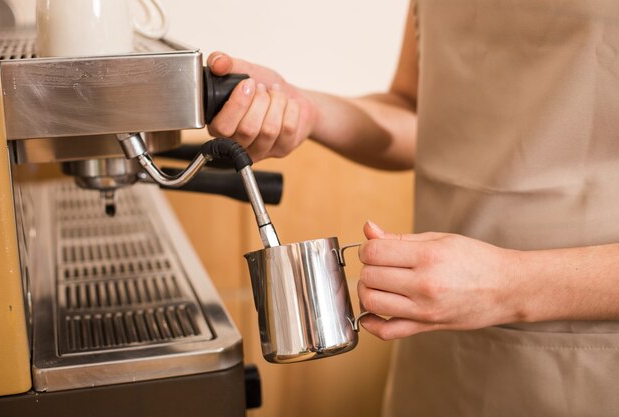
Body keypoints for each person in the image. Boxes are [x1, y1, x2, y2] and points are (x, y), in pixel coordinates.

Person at [207, 1, 619, 416]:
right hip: (435, 351)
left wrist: (510, 284)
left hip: (583, 368)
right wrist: (307, 110)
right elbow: (417, 113)